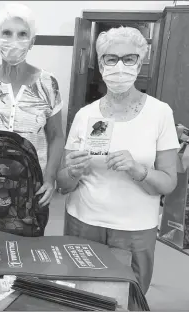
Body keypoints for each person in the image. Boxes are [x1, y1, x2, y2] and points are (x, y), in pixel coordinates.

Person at [57, 27, 179, 294]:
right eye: (111, 59)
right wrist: (74, 171)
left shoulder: (159, 113)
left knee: (127, 298)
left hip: (134, 229)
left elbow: (169, 182)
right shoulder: (85, 115)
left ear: (141, 60)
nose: (119, 66)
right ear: (100, 64)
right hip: (83, 221)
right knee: (79, 295)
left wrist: (138, 169)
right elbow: (63, 183)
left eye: (129, 58)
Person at [0, 3, 65, 210]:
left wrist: (50, 178)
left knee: (27, 240)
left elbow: (56, 136)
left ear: (32, 42)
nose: (14, 40)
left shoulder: (48, 83)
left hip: (32, 183)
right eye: (7, 33)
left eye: (22, 34)